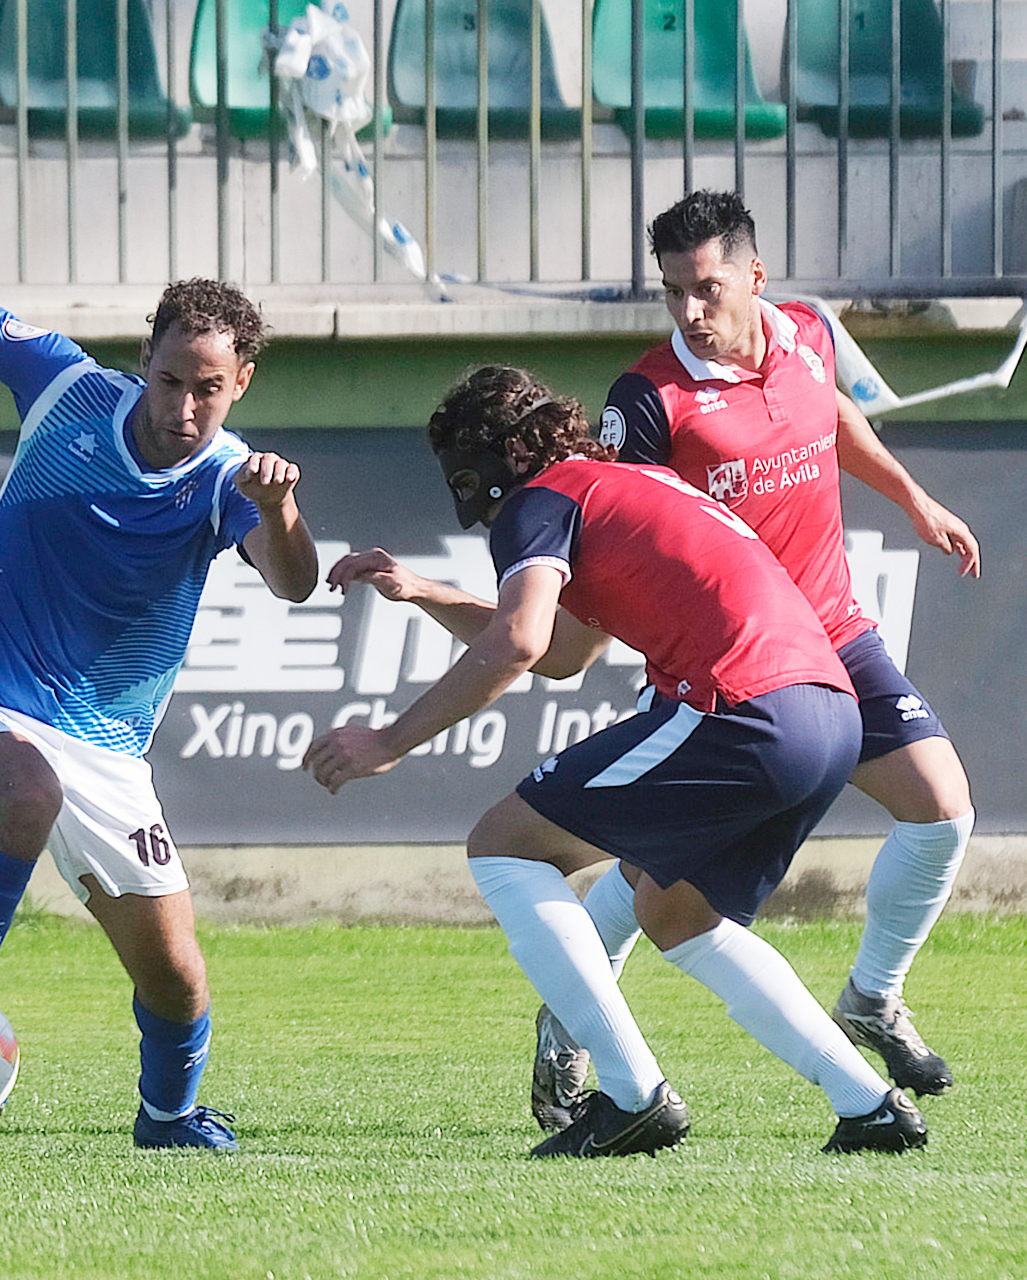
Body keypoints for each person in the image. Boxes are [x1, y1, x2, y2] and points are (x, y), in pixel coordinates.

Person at [305, 365, 927, 1157]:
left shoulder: (541, 498)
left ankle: (634, 1097)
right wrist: (426, 590)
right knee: (678, 915)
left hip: (743, 707)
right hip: (830, 714)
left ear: (515, 452)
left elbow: (523, 642)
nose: (469, 504)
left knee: (502, 846)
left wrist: (389, 741)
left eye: (469, 476)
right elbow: (566, 651)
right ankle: (870, 1105)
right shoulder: (624, 481)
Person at [519, 190, 978, 1126]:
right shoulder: (644, 401)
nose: (691, 310)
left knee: (942, 813)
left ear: (756, 279)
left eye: (708, 288)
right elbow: (623, 533)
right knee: (660, 875)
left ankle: (872, 996)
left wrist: (914, 501)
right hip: (730, 663)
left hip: (837, 634)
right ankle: (573, 1022)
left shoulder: (809, 332)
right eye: (674, 292)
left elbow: (838, 417)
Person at [0, 280, 318, 1151]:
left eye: (208, 388)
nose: (184, 406)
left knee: (176, 980)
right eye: (170, 380)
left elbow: (293, 582)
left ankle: (167, 1120)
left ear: (239, 382)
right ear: (145, 363)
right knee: (26, 791)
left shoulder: (224, 480)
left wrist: (279, 506)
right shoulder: (68, 390)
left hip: (107, 753)